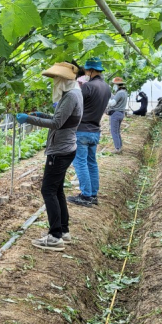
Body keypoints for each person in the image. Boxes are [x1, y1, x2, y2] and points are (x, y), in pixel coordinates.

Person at [16, 62, 83, 251]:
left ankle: (54, 236)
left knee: (48, 190)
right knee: (57, 190)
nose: (54, 82)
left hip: (60, 150)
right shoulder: (74, 92)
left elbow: (56, 123)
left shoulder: (70, 96)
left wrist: (29, 119)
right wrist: (40, 114)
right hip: (66, 147)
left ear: (63, 79)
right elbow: (62, 117)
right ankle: (63, 231)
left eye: (56, 79)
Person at [68, 58, 111, 207]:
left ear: (92, 71)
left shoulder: (87, 87)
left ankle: (85, 195)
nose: (86, 73)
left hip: (81, 130)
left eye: (87, 71)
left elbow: (75, 104)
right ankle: (93, 194)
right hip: (95, 131)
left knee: (80, 162)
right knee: (91, 162)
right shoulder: (107, 88)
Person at [107, 77, 127, 154]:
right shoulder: (124, 92)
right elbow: (116, 99)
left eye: (114, 84)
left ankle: (117, 149)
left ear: (117, 85)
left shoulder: (119, 93)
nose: (113, 86)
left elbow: (112, 103)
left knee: (114, 131)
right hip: (121, 113)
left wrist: (108, 100)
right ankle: (120, 146)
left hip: (115, 113)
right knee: (117, 131)